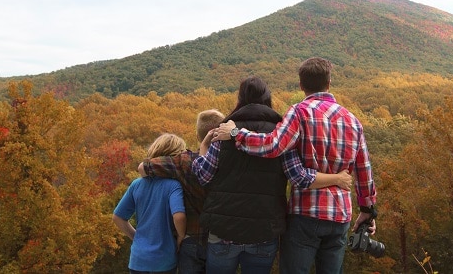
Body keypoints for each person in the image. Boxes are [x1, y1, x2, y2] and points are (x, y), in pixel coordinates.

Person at [213, 58, 377, 274]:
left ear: (301, 85)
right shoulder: (353, 120)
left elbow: (272, 146)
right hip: (340, 215)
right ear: (329, 83)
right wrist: (367, 209)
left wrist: (236, 133)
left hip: (305, 214)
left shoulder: (299, 112)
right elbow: (364, 170)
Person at [192, 76, 352, 274]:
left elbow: (203, 176)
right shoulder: (280, 135)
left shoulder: (224, 132)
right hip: (264, 233)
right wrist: (337, 178)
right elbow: (299, 177)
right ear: (268, 99)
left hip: (223, 233)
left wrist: (203, 147)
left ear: (240, 99)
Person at [138, 109, 225, 274]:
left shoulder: (183, 162)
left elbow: (143, 168)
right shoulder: (230, 162)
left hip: (191, 239)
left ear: (199, 136)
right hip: (220, 240)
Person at [113, 133, 188, 274]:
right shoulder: (173, 186)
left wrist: (136, 237)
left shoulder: (136, 184)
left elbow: (118, 217)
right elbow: (179, 217)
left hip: (138, 259)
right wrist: (180, 237)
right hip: (163, 260)